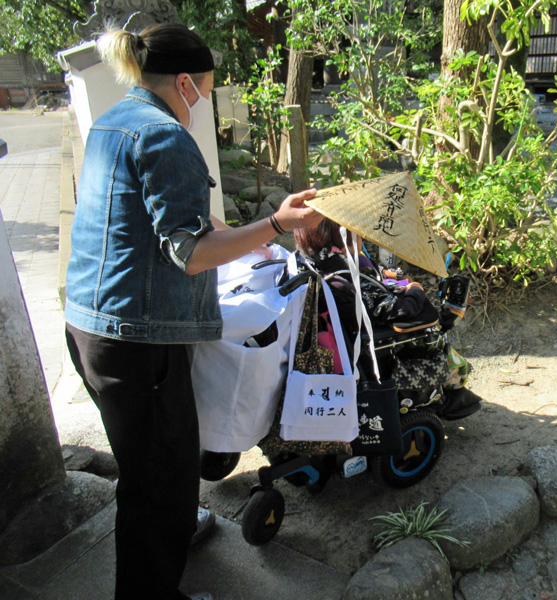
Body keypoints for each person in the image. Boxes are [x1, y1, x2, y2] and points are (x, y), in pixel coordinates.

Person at [63, 24, 322, 600]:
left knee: (154, 463)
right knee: (159, 480)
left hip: (89, 325)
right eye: (204, 88)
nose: (203, 98)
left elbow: (177, 219)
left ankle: (175, 533)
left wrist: (255, 239)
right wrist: (276, 224)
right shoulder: (165, 136)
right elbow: (191, 252)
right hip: (135, 339)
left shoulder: (115, 122)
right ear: (184, 83)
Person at [293, 218, 481, 420]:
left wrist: (392, 276)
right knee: (435, 333)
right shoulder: (346, 277)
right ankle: (441, 394)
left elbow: (369, 272)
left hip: (340, 336)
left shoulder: (312, 261)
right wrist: (415, 289)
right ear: (345, 241)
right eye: (357, 236)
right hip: (376, 345)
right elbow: (399, 310)